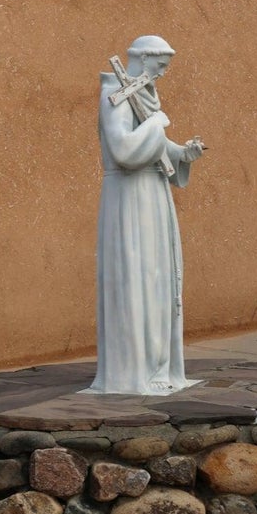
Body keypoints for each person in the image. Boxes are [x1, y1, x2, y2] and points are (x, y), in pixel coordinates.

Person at [86, 34, 207, 395]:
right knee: (136, 276)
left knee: (156, 278)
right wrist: (158, 126)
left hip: (152, 194)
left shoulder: (143, 94)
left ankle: (158, 366)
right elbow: (124, 149)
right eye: (160, 66)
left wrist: (182, 153)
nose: (164, 74)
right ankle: (134, 371)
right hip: (130, 196)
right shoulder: (117, 95)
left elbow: (153, 145)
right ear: (141, 60)